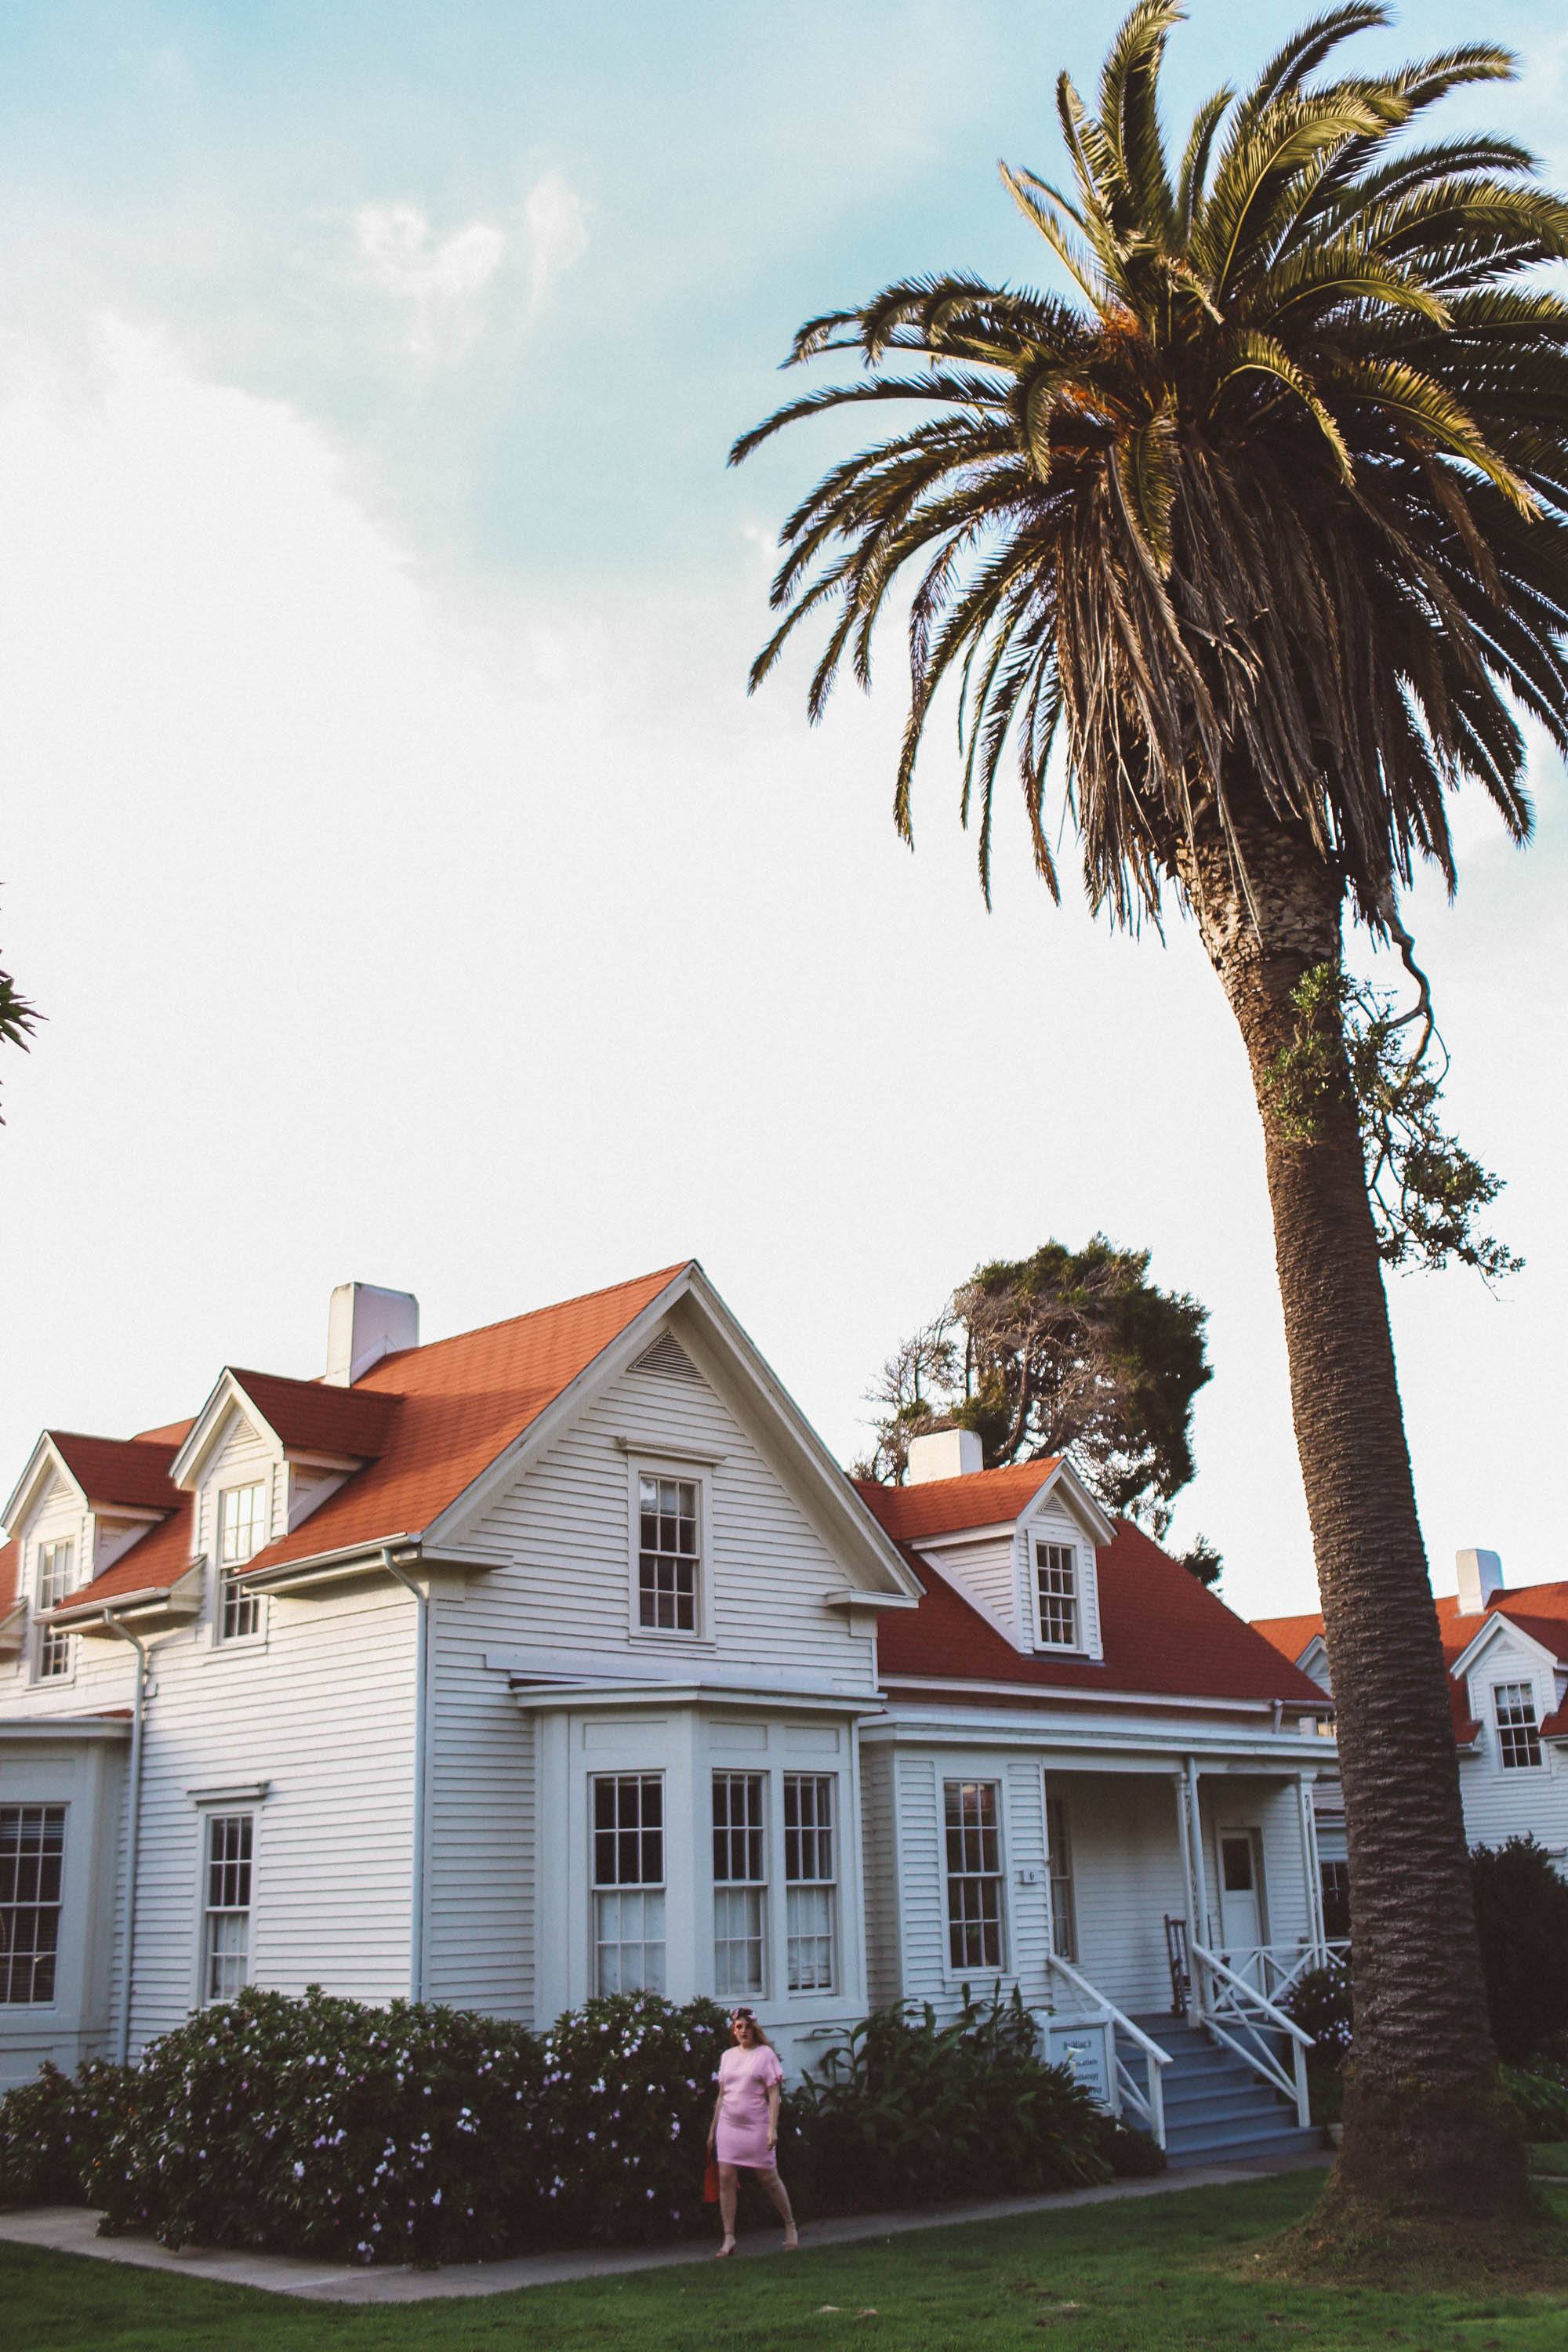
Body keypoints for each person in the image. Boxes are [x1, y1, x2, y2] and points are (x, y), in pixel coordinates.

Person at [707, 2006, 799, 2257]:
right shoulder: (727, 2056)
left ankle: (790, 2225)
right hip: (729, 2126)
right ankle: (728, 2238)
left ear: (755, 2029)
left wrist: (772, 2129)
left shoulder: (765, 2055)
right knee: (725, 2178)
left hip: (756, 2126)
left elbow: (774, 2094)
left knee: (769, 2178)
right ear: (733, 2030)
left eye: (748, 2027)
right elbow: (721, 2096)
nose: (744, 2031)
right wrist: (713, 2130)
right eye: (739, 2027)